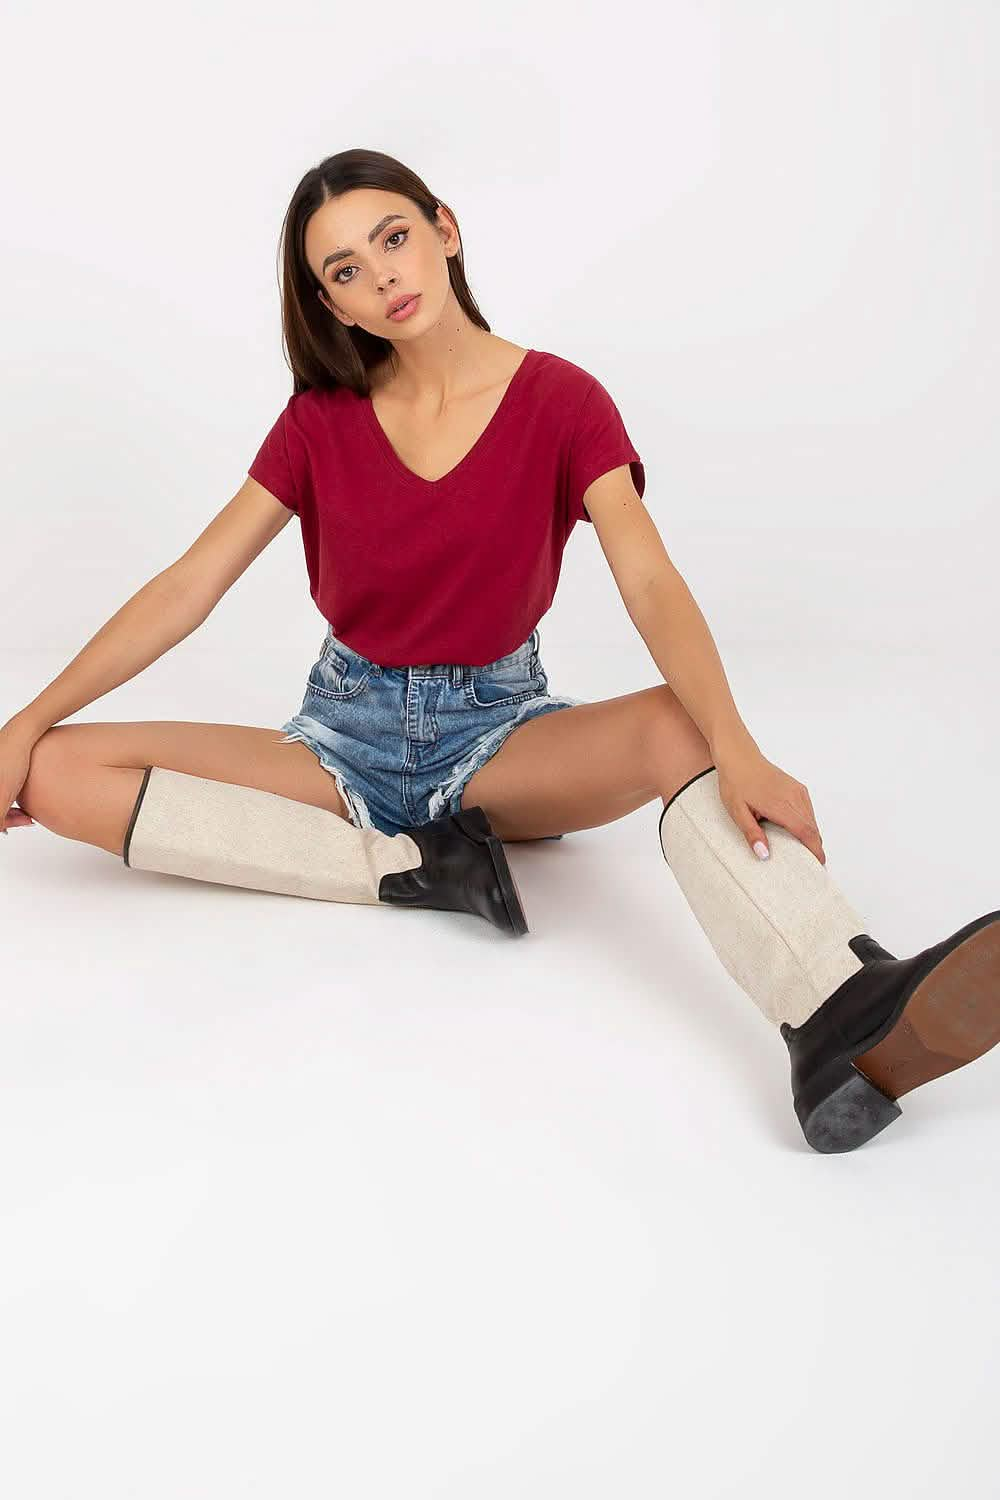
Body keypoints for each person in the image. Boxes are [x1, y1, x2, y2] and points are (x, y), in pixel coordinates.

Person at [3, 148, 999, 1154]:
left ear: (444, 228)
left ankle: (834, 1002)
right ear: (331, 306)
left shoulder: (562, 402)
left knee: (671, 722)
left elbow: (648, 581)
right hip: (338, 743)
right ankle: (408, 867)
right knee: (56, 771)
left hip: (498, 739)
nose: (382, 275)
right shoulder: (318, 422)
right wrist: (24, 721)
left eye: (392, 237)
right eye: (344, 269)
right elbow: (188, 586)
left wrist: (734, 742)